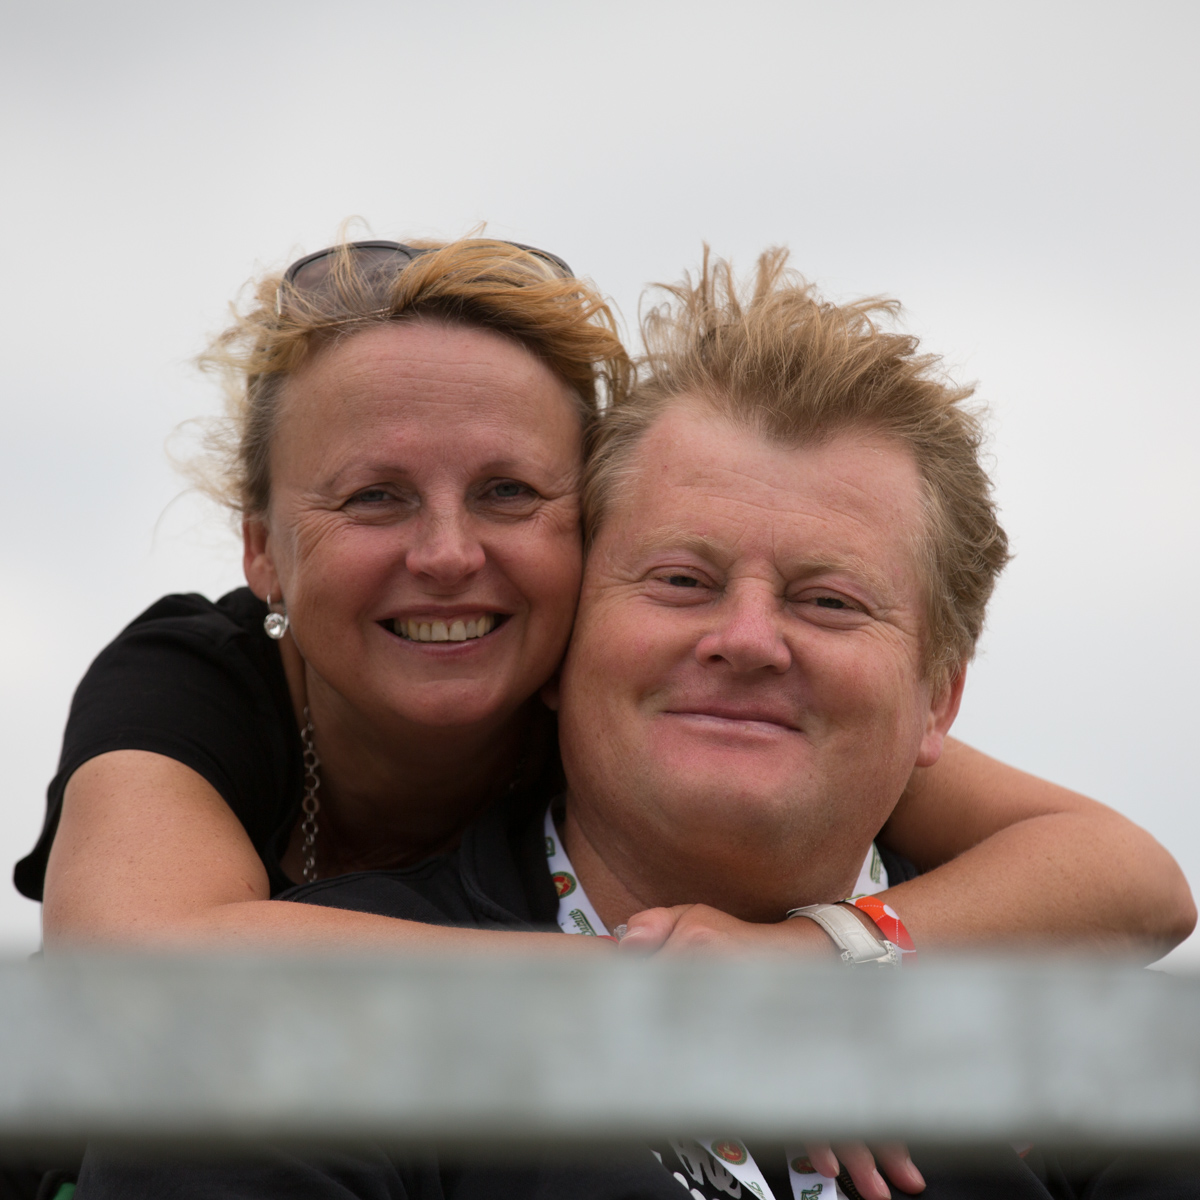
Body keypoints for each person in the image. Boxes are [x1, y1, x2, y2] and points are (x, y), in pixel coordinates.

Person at [74, 250, 1194, 1200]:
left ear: (937, 698)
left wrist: (819, 963)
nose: (749, 642)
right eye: (679, 581)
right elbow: (136, 967)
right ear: (573, 646)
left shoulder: (1103, 1073)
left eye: (829, 602)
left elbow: (1136, 876)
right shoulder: (276, 1050)